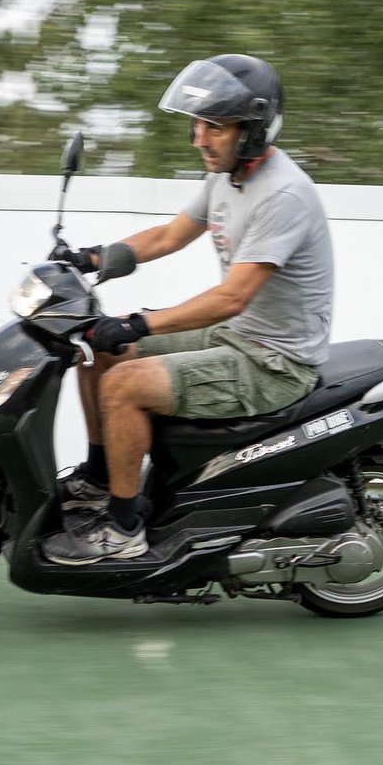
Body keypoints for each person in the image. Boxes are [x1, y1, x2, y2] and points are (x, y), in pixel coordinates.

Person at [41, 53, 335, 565]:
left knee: (123, 384)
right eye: (199, 123)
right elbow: (168, 235)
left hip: (273, 362)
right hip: (235, 336)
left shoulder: (283, 195)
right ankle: (97, 477)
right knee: (95, 346)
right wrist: (91, 257)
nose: (198, 137)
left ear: (252, 130)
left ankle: (125, 528)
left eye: (214, 126)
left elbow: (231, 297)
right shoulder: (226, 177)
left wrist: (136, 324)